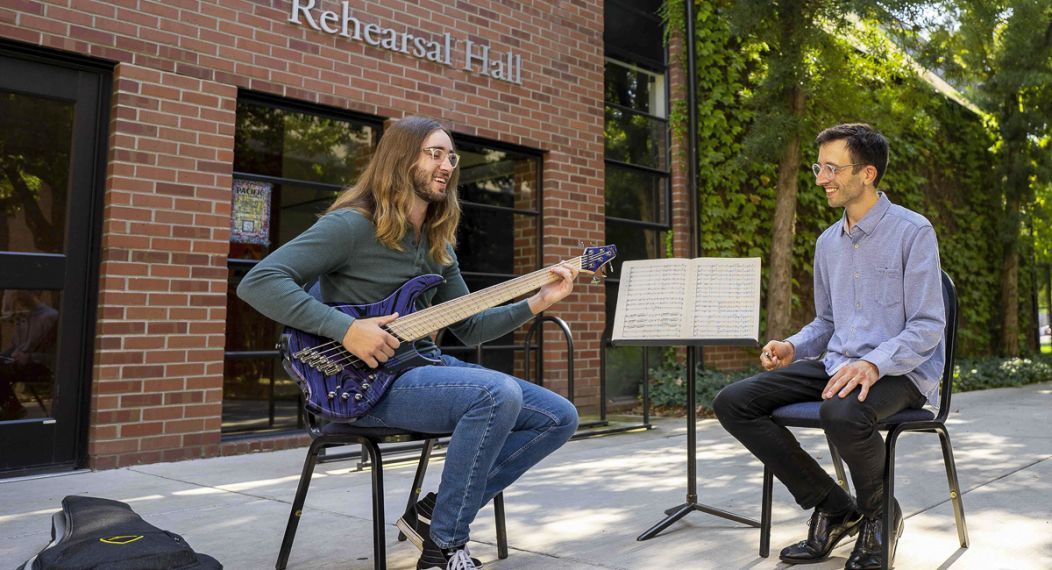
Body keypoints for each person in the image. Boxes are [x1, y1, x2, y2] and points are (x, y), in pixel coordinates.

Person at [237, 116, 580, 570]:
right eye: (434, 153)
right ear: (402, 159)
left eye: (451, 157)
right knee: (496, 394)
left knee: (560, 417)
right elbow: (259, 282)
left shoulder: (438, 244)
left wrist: (538, 301)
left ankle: (435, 514)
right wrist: (346, 329)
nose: (447, 165)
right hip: (361, 385)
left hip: (420, 371)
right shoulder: (351, 226)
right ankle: (444, 549)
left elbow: (471, 328)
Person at [713, 123, 945, 570]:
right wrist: (793, 347)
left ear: (868, 173)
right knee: (734, 402)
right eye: (819, 167)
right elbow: (827, 322)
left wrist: (874, 365)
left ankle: (881, 515)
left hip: (901, 371)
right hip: (838, 363)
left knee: (841, 411)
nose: (821, 178)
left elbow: (927, 325)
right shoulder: (826, 243)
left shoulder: (913, 232)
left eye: (832, 168)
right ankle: (836, 507)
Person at [0, 290, 59, 420]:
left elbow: (53, 355)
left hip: (38, 365)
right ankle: (10, 406)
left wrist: (30, 357)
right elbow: (15, 346)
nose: (17, 298)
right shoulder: (24, 316)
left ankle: (14, 407)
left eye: (20, 295)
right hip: (19, 362)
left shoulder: (50, 317)